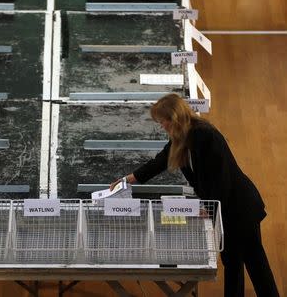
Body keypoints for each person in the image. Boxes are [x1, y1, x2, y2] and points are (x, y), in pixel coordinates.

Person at [110, 94, 279, 297]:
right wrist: (127, 180)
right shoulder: (182, 137)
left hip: (240, 208)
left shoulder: (205, 136)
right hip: (225, 208)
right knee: (232, 262)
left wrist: (209, 208)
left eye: (162, 121)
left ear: (173, 118)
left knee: (255, 262)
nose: (161, 126)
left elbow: (221, 178)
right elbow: (160, 161)